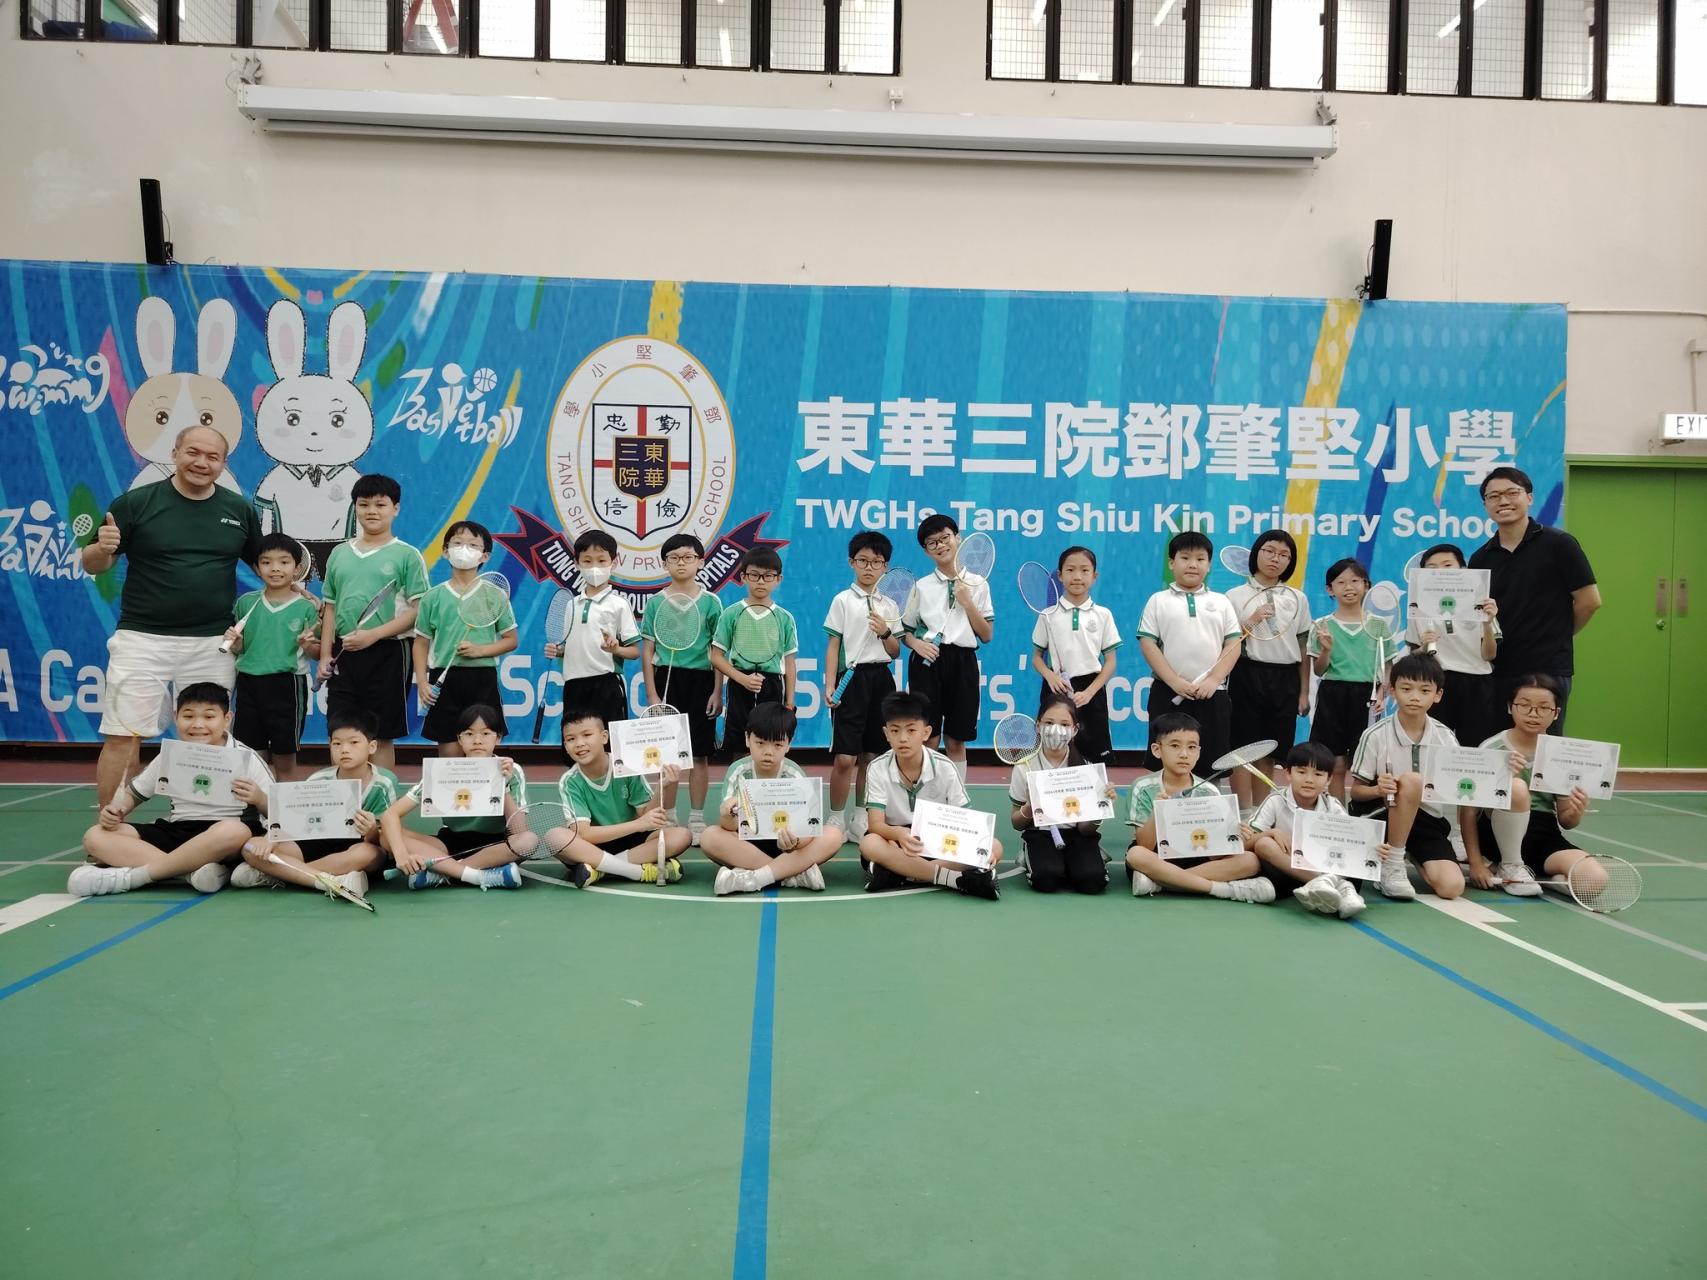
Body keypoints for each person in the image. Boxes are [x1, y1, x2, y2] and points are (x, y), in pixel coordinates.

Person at [81, 424, 263, 807]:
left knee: (209, 739)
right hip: (141, 640)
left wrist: (305, 596)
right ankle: (110, 827)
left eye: (213, 457)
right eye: (193, 452)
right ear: (175, 453)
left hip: (213, 644)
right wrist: (101, 548)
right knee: (123, 736)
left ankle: (203, 822)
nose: (202, 463)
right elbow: (93, 564)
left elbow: (268, 566)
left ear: (224, 464)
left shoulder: (239, 509)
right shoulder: (134, 503)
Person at [73, 682, 271, 897]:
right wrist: (116, 810)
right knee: (96, 836)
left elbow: (279, 814)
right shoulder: (170, 756)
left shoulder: (247, 758)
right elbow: (133, 794)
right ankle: (190, 873)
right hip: (179, 831)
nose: (198, 724)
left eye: (209, 716)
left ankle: (136, 877)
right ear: (176, 717)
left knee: (235, 831)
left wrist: (260, 798)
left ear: (227, 719)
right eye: (188, 716)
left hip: (225, 839)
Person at [1468, 465, 1600, 729]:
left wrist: (1558, 635)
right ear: (1485, 505)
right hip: (1499, 670)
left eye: (1511, 493)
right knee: (1500, 745)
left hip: (1548, 668)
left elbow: (1590, 601)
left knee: (1543, 746)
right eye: (1494, 496)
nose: (1503, 501)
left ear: (1529, 497)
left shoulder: (1560, 544)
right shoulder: (1481, 558)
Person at [316, 475, 428, 771]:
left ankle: (382, 798)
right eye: (364, 504)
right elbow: (330, 608)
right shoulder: (339, 553)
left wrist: (374, 635)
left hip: (389, 653)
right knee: (340, 732)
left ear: (396, 509)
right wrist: (325, 654)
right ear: (355, 507)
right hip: (344, 654)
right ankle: (342, 796)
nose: (372, 511)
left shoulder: (407, 555)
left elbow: (419, 610)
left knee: (381, 733)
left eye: (380, 504)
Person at [233, 709, 399, 902]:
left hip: (357, 847)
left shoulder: (384, 783)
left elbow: (383, 840)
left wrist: (370, 830)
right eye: (337, 743)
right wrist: (272, 838)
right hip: (316, 843)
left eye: (354, 742)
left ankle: (279, 874)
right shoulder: (318, 779)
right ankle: (331, 881)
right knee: (251, 847)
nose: (344, 749)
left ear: (372, 747)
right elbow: (294, 821)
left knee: (368, 854)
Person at [858, 691, 1003, 899]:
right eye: (895, 730)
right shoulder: (877, 767)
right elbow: (875, 825)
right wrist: (898, 835)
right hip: (895, 840)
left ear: (926, 733)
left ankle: (899, 873)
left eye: (911, 730)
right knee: (869, 843)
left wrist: (977, 845)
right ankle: (953, 879)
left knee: (994, 846)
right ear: (886, 734)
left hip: (939, 841)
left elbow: (967, 821)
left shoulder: (945, 767)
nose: (903, 738)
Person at [1347, 651, 1463, 902]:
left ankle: (1409, 852)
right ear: (1392, 690)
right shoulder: (1375, 735)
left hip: (1427, 820)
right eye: (1406, 689)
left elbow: (1461, 789)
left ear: (1438, 695)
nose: (1415, 697)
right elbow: (1356, 792)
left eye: (1425, 690)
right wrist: (1378, 789)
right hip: (1382, 816)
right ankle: (1392, 863)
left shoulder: (1445, 737)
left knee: (1451, 887)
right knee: (1411, 782)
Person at [1123, 712, 1274, 903]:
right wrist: (1158, 812)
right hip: (1157, 855)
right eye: (1175, 746)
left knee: (1250, 861)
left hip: (1196, 854)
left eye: (1192, 747)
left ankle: (1159, 882)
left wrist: (1235, 834)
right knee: (1136, 855)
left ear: (1199, 752)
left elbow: (1216, 852)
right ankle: (1221, 889)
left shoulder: (1210, 791)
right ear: (1156, 750)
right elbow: (1144, 845)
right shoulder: (1143, 787)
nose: (1184, 754)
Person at [1463, 674, 1592, 896]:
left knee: (1593, 880)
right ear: (1510, 707)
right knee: (1517, 788)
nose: (1533, 713)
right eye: (1524, 705)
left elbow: (1566, 822)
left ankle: (1538, 877)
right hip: (1496, 833)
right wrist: (1475, 863)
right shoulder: (1491, 749)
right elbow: (1468, 812)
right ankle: (1510, 866)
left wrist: (1575, 811)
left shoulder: (1561, 754)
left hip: (1542, 833)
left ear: (1556, 713)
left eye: (1543, 708)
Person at [377, 704, 527, 890]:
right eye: (469, 734)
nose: (477, 740)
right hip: (447, 846)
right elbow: (389, 814)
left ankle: (444, 872)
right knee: (385, 837)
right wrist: (400, 856)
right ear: (459, 739)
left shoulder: (512, 770)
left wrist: (503, 785)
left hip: (495, 846)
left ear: (498, 738)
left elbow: (519, 830)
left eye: (486, 733)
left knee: (528, 841)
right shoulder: (443, 771)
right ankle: (474, 875)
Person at [703, 702, 843, 895]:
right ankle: (792, 874)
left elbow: (809, 829)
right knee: (709, 836)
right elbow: (728, 827)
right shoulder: (738, 771)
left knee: (833, 835)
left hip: (788, 847)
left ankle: (756, 878)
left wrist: (796, 842)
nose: (768, 752)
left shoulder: (795, 774)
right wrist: (727, 815)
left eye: (777, 745)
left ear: (788, 745)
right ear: (747, 739)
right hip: (747, 846)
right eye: (760, 743)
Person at [640, 533, 725, 842]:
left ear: (700, 562)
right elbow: (647, 652)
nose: (681, 563)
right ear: (665, 564)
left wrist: (718, 691)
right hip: (667, 680)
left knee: (699, 755)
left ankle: (698, 818)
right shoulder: (655, 603)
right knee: (669, 756)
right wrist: (652, 694)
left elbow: (718, 651)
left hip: (702, 681)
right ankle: (669, 814)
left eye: (688, 557)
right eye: (674, 558)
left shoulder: (712, 602)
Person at [547, 707, 691, 888]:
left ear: (604, 737)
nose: (579, 743)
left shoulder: (626, 766)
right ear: (565, 746)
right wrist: (638, 824)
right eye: (570, 739)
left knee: (681, 836)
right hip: (594, 845)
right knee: (554, 837)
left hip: (633, 843)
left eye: (587, 735)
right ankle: (637, 872)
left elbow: (647, 815)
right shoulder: (570, 782)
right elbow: (584, 833)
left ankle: (600, 870)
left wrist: (662, 786)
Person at [1137, 531, 1241, 771]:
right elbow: (1148, 643)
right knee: (1166, 765)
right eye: (1185, 558)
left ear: (1209, 564)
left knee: (1211, 766)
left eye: (1200, 559)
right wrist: (1174, 682)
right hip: (1168, 693)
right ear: (1171, 563)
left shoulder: (1221, 602)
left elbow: (1233, 644)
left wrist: (1214, 679)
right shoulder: (1158, 600)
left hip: (1213, 694)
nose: (1193, 564)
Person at [899, 514, 993, 780]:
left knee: (955, 739)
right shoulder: (921, 586)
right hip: (927, 662)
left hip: (963, 662)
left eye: (945, 538)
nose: (940, 545)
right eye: (932, 543)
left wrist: (967, 602)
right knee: (928, 737)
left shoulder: (978, 583)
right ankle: (924, 796)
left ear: (958, 538)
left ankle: (957, 797)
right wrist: (916, 644)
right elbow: (905, 631)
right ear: (926, 550)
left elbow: (986, 634)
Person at [1224, 530, 1313, 808]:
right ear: (1256, 554)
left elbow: (1303, 647)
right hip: (1246, 674)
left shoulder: (1298, 598)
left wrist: (1304, 692)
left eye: (1284, 555)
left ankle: (1261, 814)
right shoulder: (1233, 596)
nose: (1276, 559)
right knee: (1242, 749)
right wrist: (1250, 621)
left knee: (1270, 751)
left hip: (1285, 679)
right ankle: (1243, 812)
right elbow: (1227, 644)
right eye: (1270, 551)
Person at [413, 521, 518, 754]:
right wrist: (422, 681)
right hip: (443, 679)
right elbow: (421, 642)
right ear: (445, 551)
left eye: (473, 545)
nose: (464, 549)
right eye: (457, 543)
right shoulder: (432, 597)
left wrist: (480, 650)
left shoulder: (495, 595)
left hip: (482, 679)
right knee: (449, 753)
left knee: (481, 753)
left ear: (485, 556)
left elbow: (511, 639)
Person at [824, 531, 902, 839]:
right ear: (851, 562)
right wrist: (829, 685)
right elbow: (833, 646)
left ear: (885, 566)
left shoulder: (890, 605)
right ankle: (835, 818)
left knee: (872, 757)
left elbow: (895, 652)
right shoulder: (842, 601)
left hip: (881, 680)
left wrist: (885, 632)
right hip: (850, 680)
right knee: (846, 757)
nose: (869, 567)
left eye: (876, 562)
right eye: (863, 561)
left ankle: (861, 817)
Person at [226, 532, 321, 780]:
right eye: (266, 562)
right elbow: (240, 648)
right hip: (248, 684)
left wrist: (308, 645)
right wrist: (236, 644)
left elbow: (316, 653)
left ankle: (284, 802)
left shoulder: (307, 607)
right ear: (257, 568)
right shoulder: (245, 603)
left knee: (284, 757)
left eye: (284, 562)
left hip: (287, 686)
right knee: (251, 756)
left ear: (297, 568)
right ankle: (255, 803)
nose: (275, 568)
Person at [1243, 741, 1367, 919]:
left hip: (1321, 865)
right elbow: (1248, 841)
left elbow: (1351, 843)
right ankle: (1336, 887)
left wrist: (1375, 850)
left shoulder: (1333, 806)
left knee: (1356, 856)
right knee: (1263, 844)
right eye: (1301, 772)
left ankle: (1326, 884)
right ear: (1288, 773)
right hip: (1287, 870)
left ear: (1329, 779)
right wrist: (1272, 833)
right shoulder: (1275, 801)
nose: (1309, 780)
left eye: (1318, 774)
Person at [1007, 693, 1113, 895]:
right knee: (1046, 879)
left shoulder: (1086, 768)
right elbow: (1016, 823)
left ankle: (1086, 859)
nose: (1056, 729)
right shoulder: (1024, 767)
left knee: (1092, 882)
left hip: (1077, 835)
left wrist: (1100, 809)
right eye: (1049, 722)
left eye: (1064, 724)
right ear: (1038, 726)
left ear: (1075, 729)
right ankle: (1031, 854)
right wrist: (1029, 808)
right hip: (1041, 833)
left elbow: (1086, 829)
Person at [1308, 558, 1393, 800]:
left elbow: (1387, 666)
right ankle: (1338, 814)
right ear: (1329, 589)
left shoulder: (1378, 625)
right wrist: (1326, 650)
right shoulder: (1322, 626)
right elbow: (1318, 670)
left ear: (1366, 585)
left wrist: (1382, 694)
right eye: (1341, 582)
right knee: (1334, 764)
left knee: (1363, 764)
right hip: (1332, 695)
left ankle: (1360, 814)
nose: (1349, 587)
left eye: (1355, 581)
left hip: (1366, 697)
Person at [1405, 542, 1501, 748]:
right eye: (1432, 568)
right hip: (1436, 681)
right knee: (1435, 747)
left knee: (1475, 748)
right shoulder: (1418, 606)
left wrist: (1487, 624)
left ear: (1463, 570)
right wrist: (1424, 647)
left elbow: (1490, 655)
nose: (1440, 572)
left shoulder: (1481, 604)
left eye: (1447, 565)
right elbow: (1414, 653)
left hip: (1477, 682)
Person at [1030, 546, 1120, 764]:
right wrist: (1050, 676)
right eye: (1070, 570)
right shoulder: (1048, 615)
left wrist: (1089, 693)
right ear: (1060, 575)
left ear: (1094, 576)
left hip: (1090, 690)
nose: (1077, 576)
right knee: (1053, 748)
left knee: (1094, 756)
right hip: (1056, 688)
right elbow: (1037, 657)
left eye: (1084, 570)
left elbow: (1110, 662)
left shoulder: (1103, 615)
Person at [545, 530, 640, 730]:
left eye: (601, 560)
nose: (594, 567)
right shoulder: (571, 604)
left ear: (614, 562)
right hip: (573, 685)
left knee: (609, 741)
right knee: (574, 738)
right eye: (587, 561)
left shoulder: (619, 604)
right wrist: (558, 651)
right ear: (576, 563)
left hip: (606, 684)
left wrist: (616, 649)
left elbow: (634, 652)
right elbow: (570, 646)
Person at [711, 548, 798, 757]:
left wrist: (789, 702)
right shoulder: (731, 613)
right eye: (754, 575)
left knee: (770, 744)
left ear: (778, 579)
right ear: (743, 577)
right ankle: (739, 780)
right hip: (739, 684)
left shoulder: (785, 618)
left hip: (772, 686)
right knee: (739, 746)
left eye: (768, 576)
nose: (761, 581)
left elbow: (790, 663)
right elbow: (716, 656)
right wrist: (742, 679)